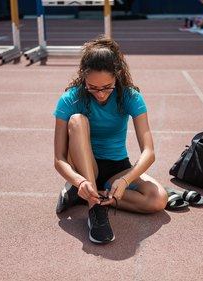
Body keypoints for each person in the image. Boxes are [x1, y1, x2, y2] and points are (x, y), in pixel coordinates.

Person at [53, 35, 168, 244]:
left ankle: (88, 194)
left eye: (107, 87)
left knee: (158, 199)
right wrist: (79, 180)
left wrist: (124, 181)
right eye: (93, 87)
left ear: (118, 75)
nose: (101, 94)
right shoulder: (70, 99)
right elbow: (59, 158)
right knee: (78, 120)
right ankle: (95, 210)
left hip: (117, 169)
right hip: (84, 166)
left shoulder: (131, 97)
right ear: (83, 77)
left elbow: (149, 152)